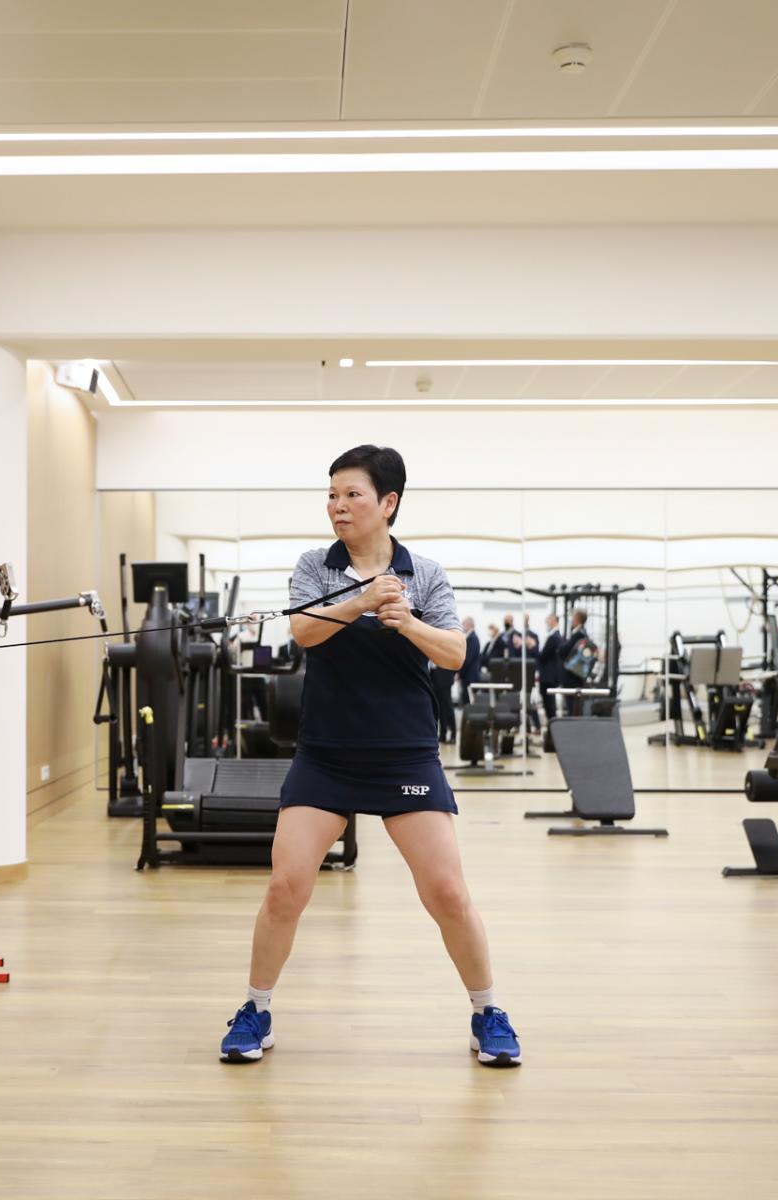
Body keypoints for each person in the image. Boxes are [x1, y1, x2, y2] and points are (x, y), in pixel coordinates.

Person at [220, 445, 520, 1068]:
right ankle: (255, 1009)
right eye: (331, 494)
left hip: (405, 756)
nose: (337, 506)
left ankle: (488, 1011)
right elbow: (302, 632)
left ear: (388, 503)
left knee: (447, 892)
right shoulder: (316, 566)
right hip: (325, 754)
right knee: (285, 887)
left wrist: (406, 620)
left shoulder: (425, 573)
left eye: (351, 494)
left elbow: (456, 653)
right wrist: (358, 601)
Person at [539, 612, 565, 720]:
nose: (546, 624)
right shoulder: (555, 637)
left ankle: (552, 728)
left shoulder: (554, 638)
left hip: (549, 677)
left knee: (550, 705)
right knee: (548, 705)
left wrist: (533, 647)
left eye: (548, 621)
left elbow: (544, 655)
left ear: (554, 621)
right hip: (549, 676)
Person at [459, 616, 482, 705]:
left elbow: (467, 659)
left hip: (470, 677)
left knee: (469, 702)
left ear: (468, 625)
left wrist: (459, 672)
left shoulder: (473, 638)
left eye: (463, 624)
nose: (462, 626)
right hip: (468, 676)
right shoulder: (470, 638)